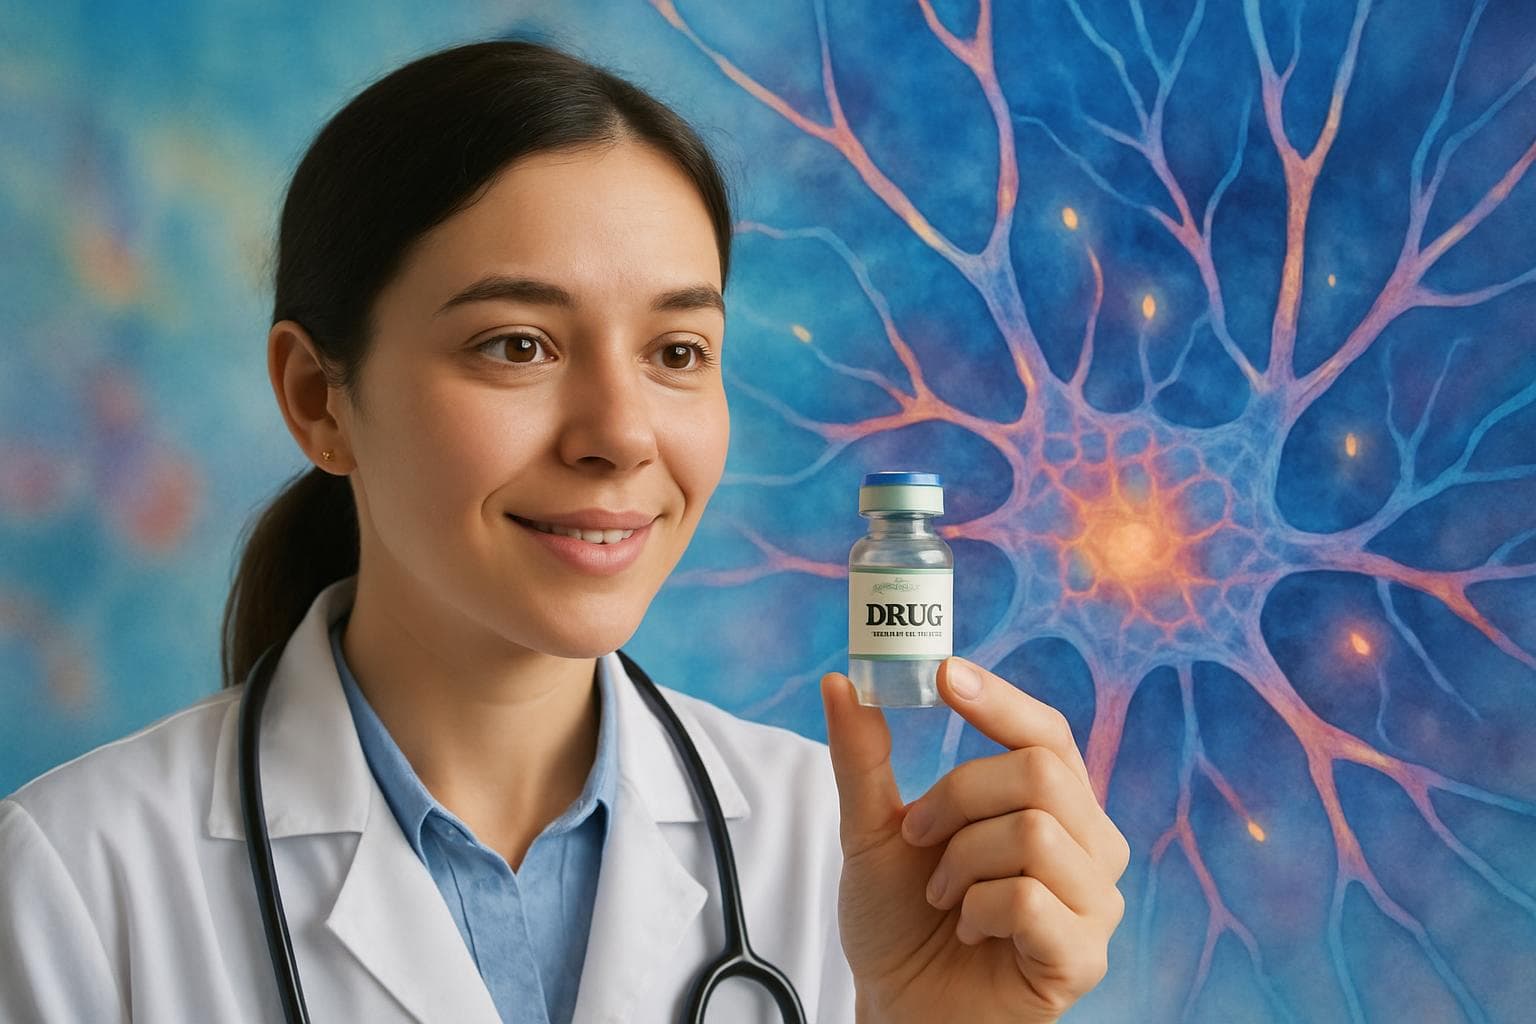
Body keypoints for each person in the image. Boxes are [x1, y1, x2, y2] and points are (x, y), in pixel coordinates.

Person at [0, 38, 1128, 1024]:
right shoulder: (76, 884)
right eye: (517, 345)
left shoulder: (849, 850)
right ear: (318, 397)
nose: (620, 435)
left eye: (676, 352)